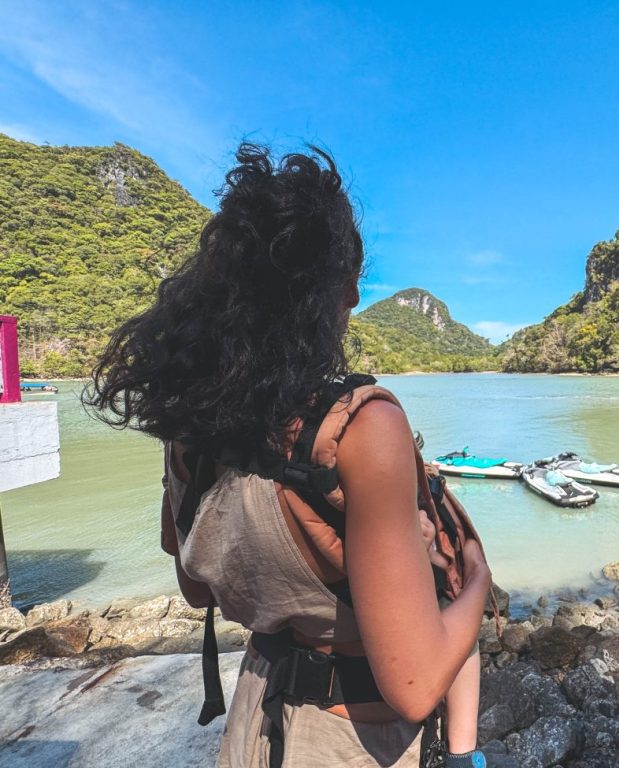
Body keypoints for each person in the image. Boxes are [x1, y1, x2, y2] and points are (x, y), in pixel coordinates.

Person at [85, 145, 491, 768]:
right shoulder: (363, 426)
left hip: (255, 719)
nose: (354, 298)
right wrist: (479, 583)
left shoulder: (192, 429)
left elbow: (197, 590)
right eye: (350, 282)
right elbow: (413, 687)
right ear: (335, 289)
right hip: (350, 742)